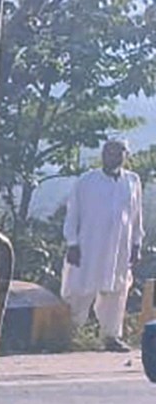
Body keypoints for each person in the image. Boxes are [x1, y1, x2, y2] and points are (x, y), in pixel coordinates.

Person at [60, 137, 144, 352]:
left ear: (126, 155)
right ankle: (69, 335)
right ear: (102, 155)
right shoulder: (86, 181)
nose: (112, 156)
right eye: (108, 152)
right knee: (78, 289)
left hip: (120, 248)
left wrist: (136, 243)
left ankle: (111, 337)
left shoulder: (132, 181)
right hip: (88, 247)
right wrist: (72, 243)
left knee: (116, 291)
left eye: (118, 152)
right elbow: (73, 214)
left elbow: (136, 217)